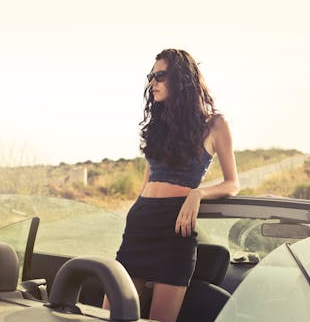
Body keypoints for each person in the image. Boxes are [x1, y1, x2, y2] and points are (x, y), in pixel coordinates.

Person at [103, 49, 240, 322]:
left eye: (160, 76)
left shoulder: (215, 124)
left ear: (181, 79)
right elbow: (148, 181)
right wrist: (134, 212)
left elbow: (232, 183)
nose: (152, 82)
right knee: (107, 316)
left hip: (175, 230)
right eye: (151, 76)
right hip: (140, 225)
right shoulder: (158, 126)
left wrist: (198, 193)